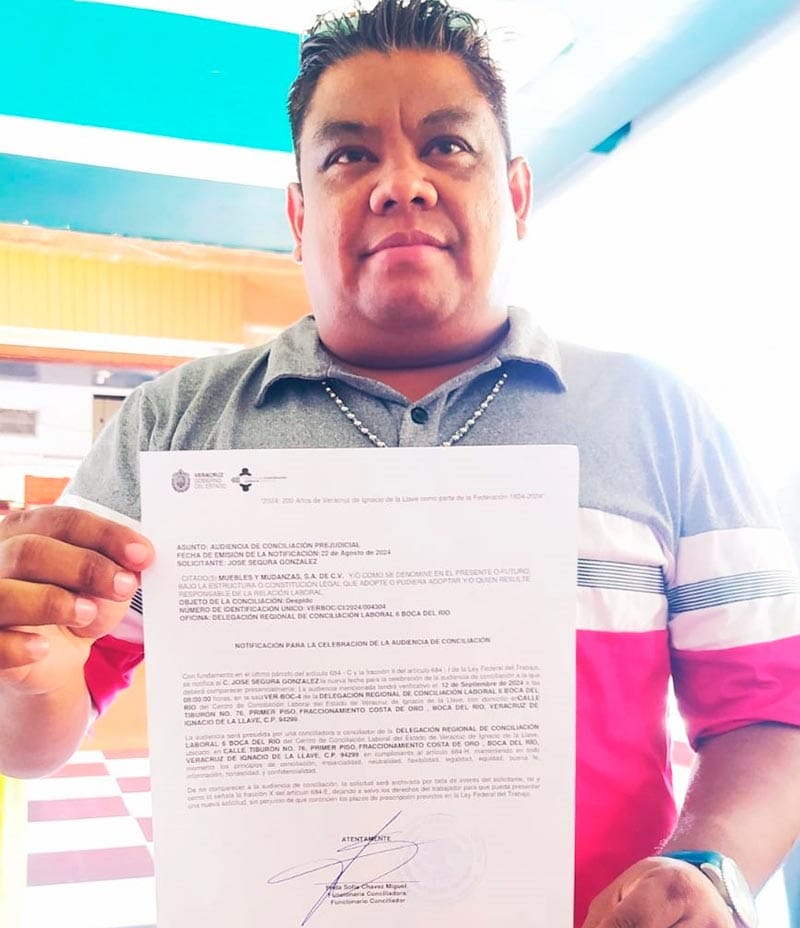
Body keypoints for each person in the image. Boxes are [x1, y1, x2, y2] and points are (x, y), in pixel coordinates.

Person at [1, 1, 799, 925]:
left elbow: (770, 713)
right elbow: (31, 741)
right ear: (299, 214)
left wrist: (709, 866)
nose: (401, 185)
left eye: (448, 147)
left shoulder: (660, 418)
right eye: (348, 156)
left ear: (517, 196)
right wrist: (31, 668)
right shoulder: (171, 424)